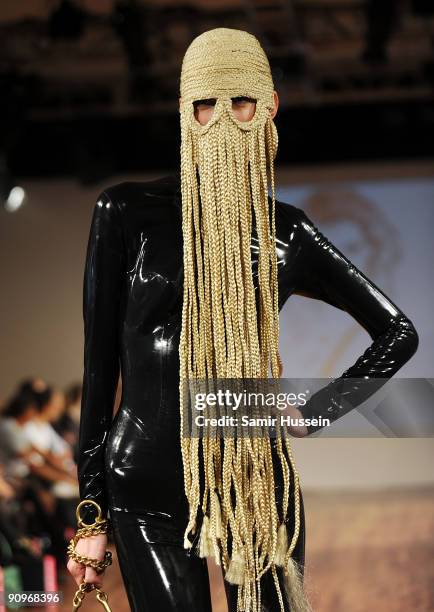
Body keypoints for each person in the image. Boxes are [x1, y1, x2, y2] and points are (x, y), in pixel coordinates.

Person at [67, 28, 419, 612]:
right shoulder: (125, 211)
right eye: (204, 105)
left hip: (252, 478)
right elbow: (98, 369)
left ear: (271, 106)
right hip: (145, 483)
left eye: (240, 103)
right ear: (184, 111)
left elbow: (397, 332)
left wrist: (317, 411)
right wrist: (92, 510)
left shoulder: (289, 231)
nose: (222, 119)